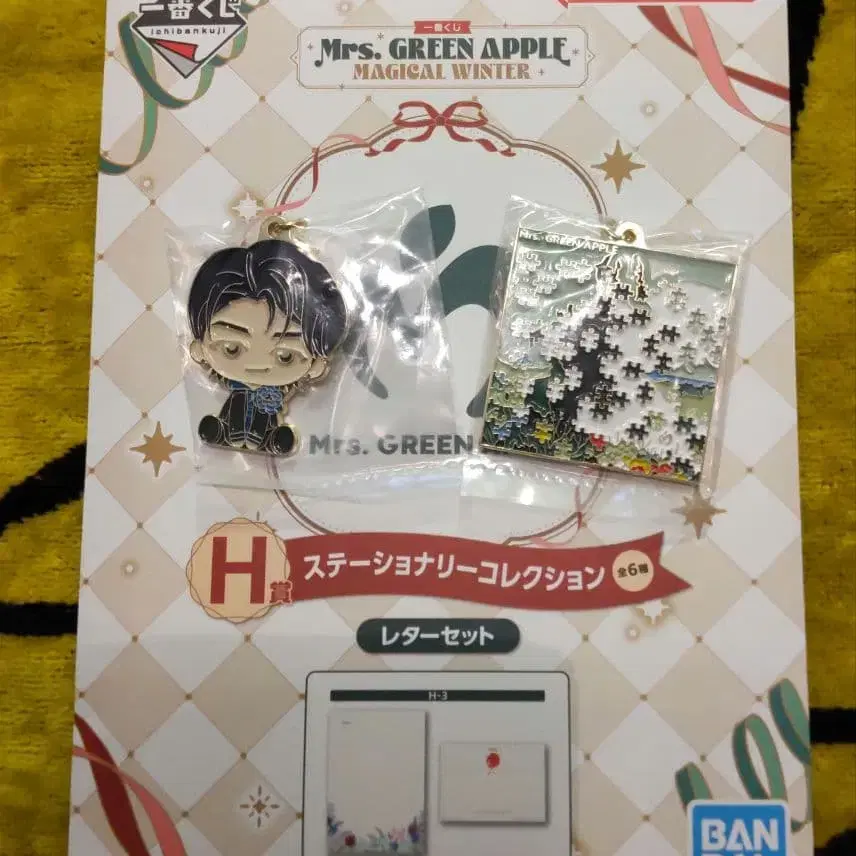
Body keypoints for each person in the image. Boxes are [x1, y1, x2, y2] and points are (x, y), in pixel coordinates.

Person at [187, 238, 347, 456]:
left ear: (317, 364)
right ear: (199, 349)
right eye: (232, 348)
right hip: (236, 405)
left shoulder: (275, 395)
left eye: (285, 356)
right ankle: (224, 431)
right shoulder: (236, 386)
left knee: (264, 416)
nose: (258, 364)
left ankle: (270, 438)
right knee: (236, 409)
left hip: (270, 418)